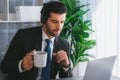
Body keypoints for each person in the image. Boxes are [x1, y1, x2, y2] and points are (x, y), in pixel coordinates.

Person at [0, 1, 73, 80]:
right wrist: (22, 65)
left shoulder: (64, 45)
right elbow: (4, 67)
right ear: (44, 20)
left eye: (62, 22)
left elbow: (66, 77)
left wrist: (66, 66)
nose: (59, 27)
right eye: (54, 22)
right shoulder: (23, 36)